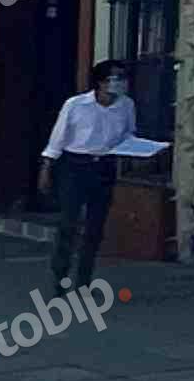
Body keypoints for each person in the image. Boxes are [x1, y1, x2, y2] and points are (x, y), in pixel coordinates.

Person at [39, 58, 137, 294]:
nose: (120, 83)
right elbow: (58, 138)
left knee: (95, 227)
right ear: (101, 82)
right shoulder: (76, 105)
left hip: (104, 166)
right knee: (68, 223)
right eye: (115, 78)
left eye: (122, 78)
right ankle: (60, 277)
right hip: (75, 165)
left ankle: (84, 279)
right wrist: (46, 168)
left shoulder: (126, 105)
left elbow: (128, 134)